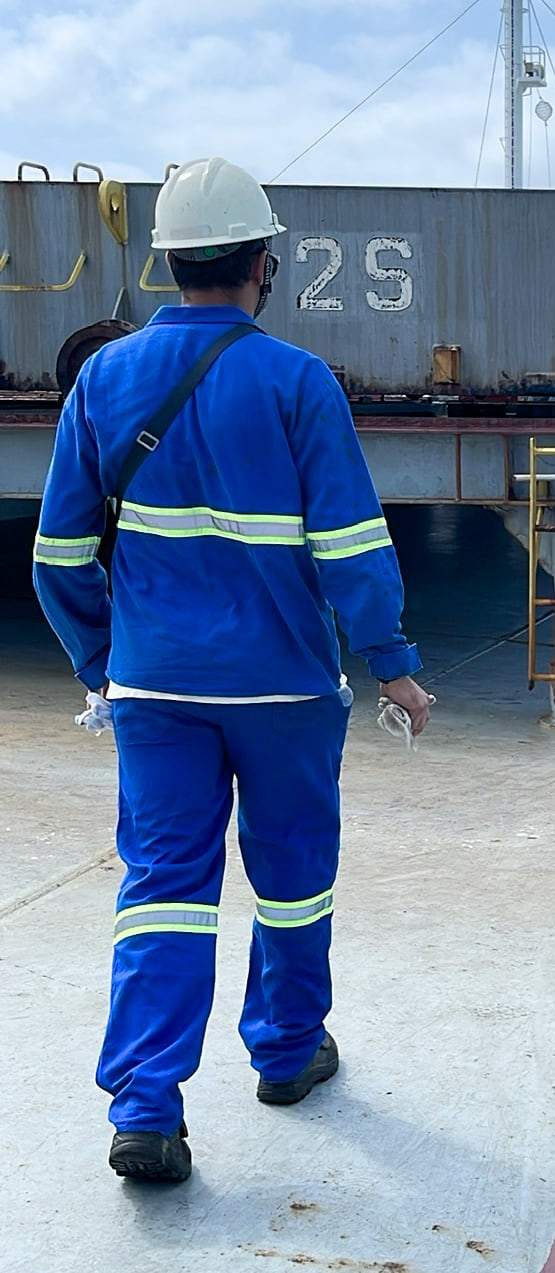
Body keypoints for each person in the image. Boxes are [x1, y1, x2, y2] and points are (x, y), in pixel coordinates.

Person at [33, 157, 433, 1184]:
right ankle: (289, 1052)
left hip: (155, 692)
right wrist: (391, 663)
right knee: (293, 883)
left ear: (166, 265)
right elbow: (350, 551)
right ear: (266, 262)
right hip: (287, 694)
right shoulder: (298, 382)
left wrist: (99, 664)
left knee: (164, 888)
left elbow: (59, 557)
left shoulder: (101, 380)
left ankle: (146, 1108)